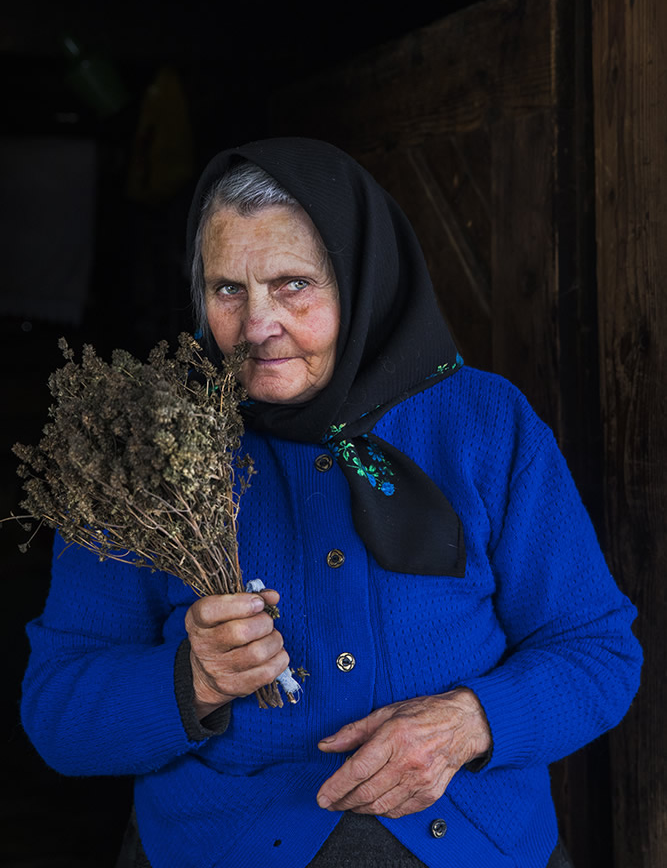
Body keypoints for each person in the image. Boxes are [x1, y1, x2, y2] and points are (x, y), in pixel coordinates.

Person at [21, 138, 642, 868]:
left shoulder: (482, 423)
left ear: (362, 281)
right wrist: (191, 680)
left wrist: (472, 722)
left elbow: (597, 651)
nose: (257, 326)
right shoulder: (145, 448)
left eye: (292, 285)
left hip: (470, 841)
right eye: (228, 289)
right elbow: (58, 712)